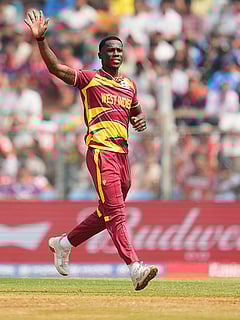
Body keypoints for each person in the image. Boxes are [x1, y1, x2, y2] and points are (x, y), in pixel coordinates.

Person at [24, 9, 158, 290]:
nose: (116, 54)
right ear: (100, 56)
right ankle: (135, 267)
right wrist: (41, 41)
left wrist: (139, 119)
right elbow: (56, 69)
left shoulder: (129, 85)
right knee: (117, 212)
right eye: (110, 50)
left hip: (123, 157)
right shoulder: (89, 80)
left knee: (107, 212)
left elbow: (136, 111)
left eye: (119, 50)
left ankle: (64, 242)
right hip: (100, 152)